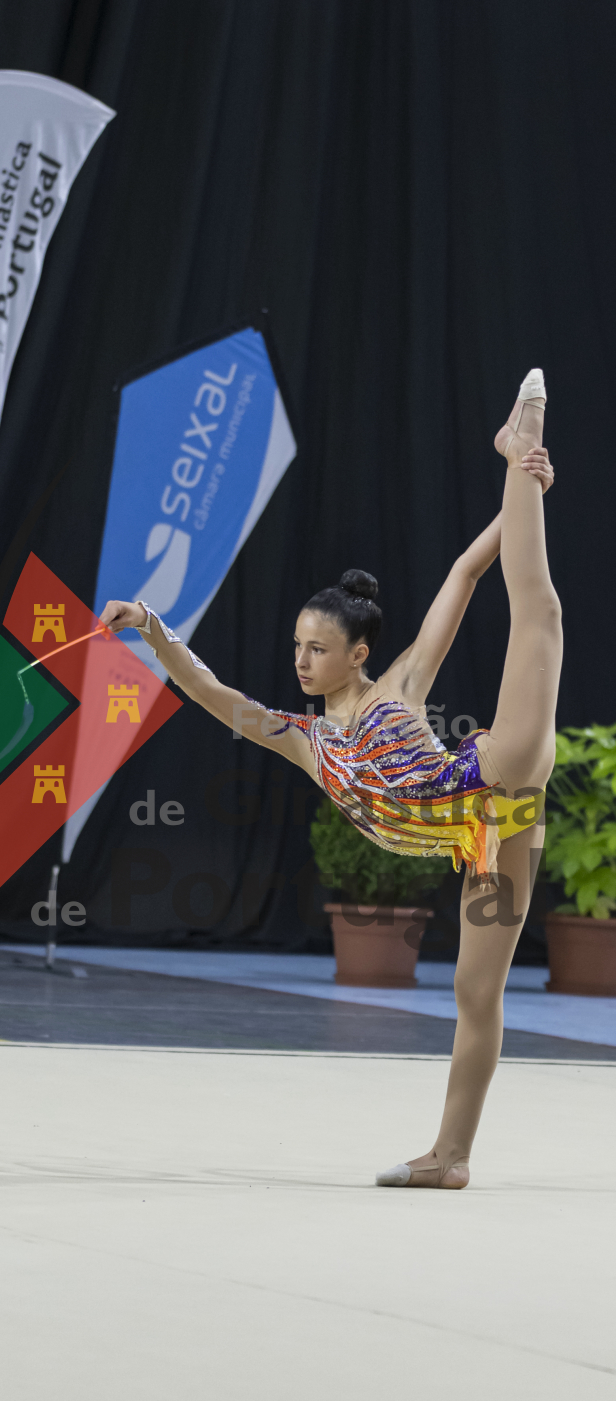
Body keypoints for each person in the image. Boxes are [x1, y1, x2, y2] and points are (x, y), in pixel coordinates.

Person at [99, 370, 558, 1190]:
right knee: (475, 988)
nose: (302, 662)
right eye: (297, 648)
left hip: (494, 775)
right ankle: (450, 1157)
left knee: (542, 616)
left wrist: (515, 497)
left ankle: (520, 446)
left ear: (356, 653)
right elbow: (212, 693)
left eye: (317, 648)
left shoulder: (402, 687)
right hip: (491, 835)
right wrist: (154, 629)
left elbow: (461, 575)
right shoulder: (305, 741)